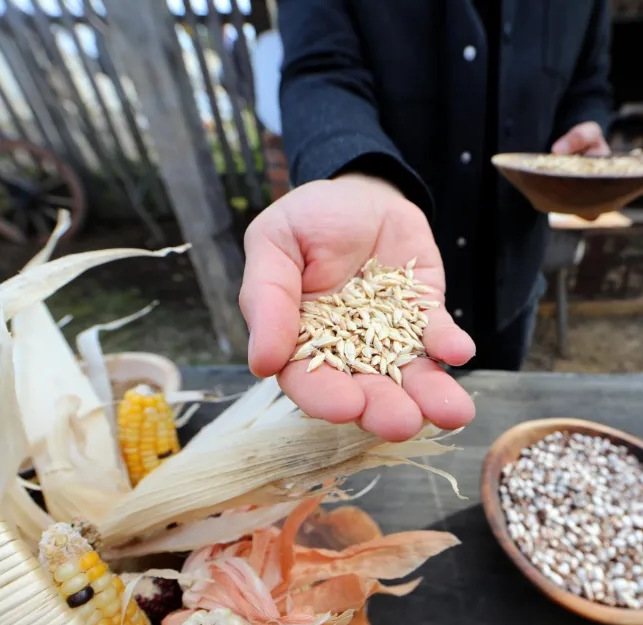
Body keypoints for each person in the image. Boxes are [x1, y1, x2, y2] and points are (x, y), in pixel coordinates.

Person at [239, 0, 613, 441]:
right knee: (372, 434)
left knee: (489, 419)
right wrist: (357, 172)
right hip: (374, 250)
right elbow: (319, 70)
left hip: (512, 269)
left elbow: (590, 85)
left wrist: (585, 131)